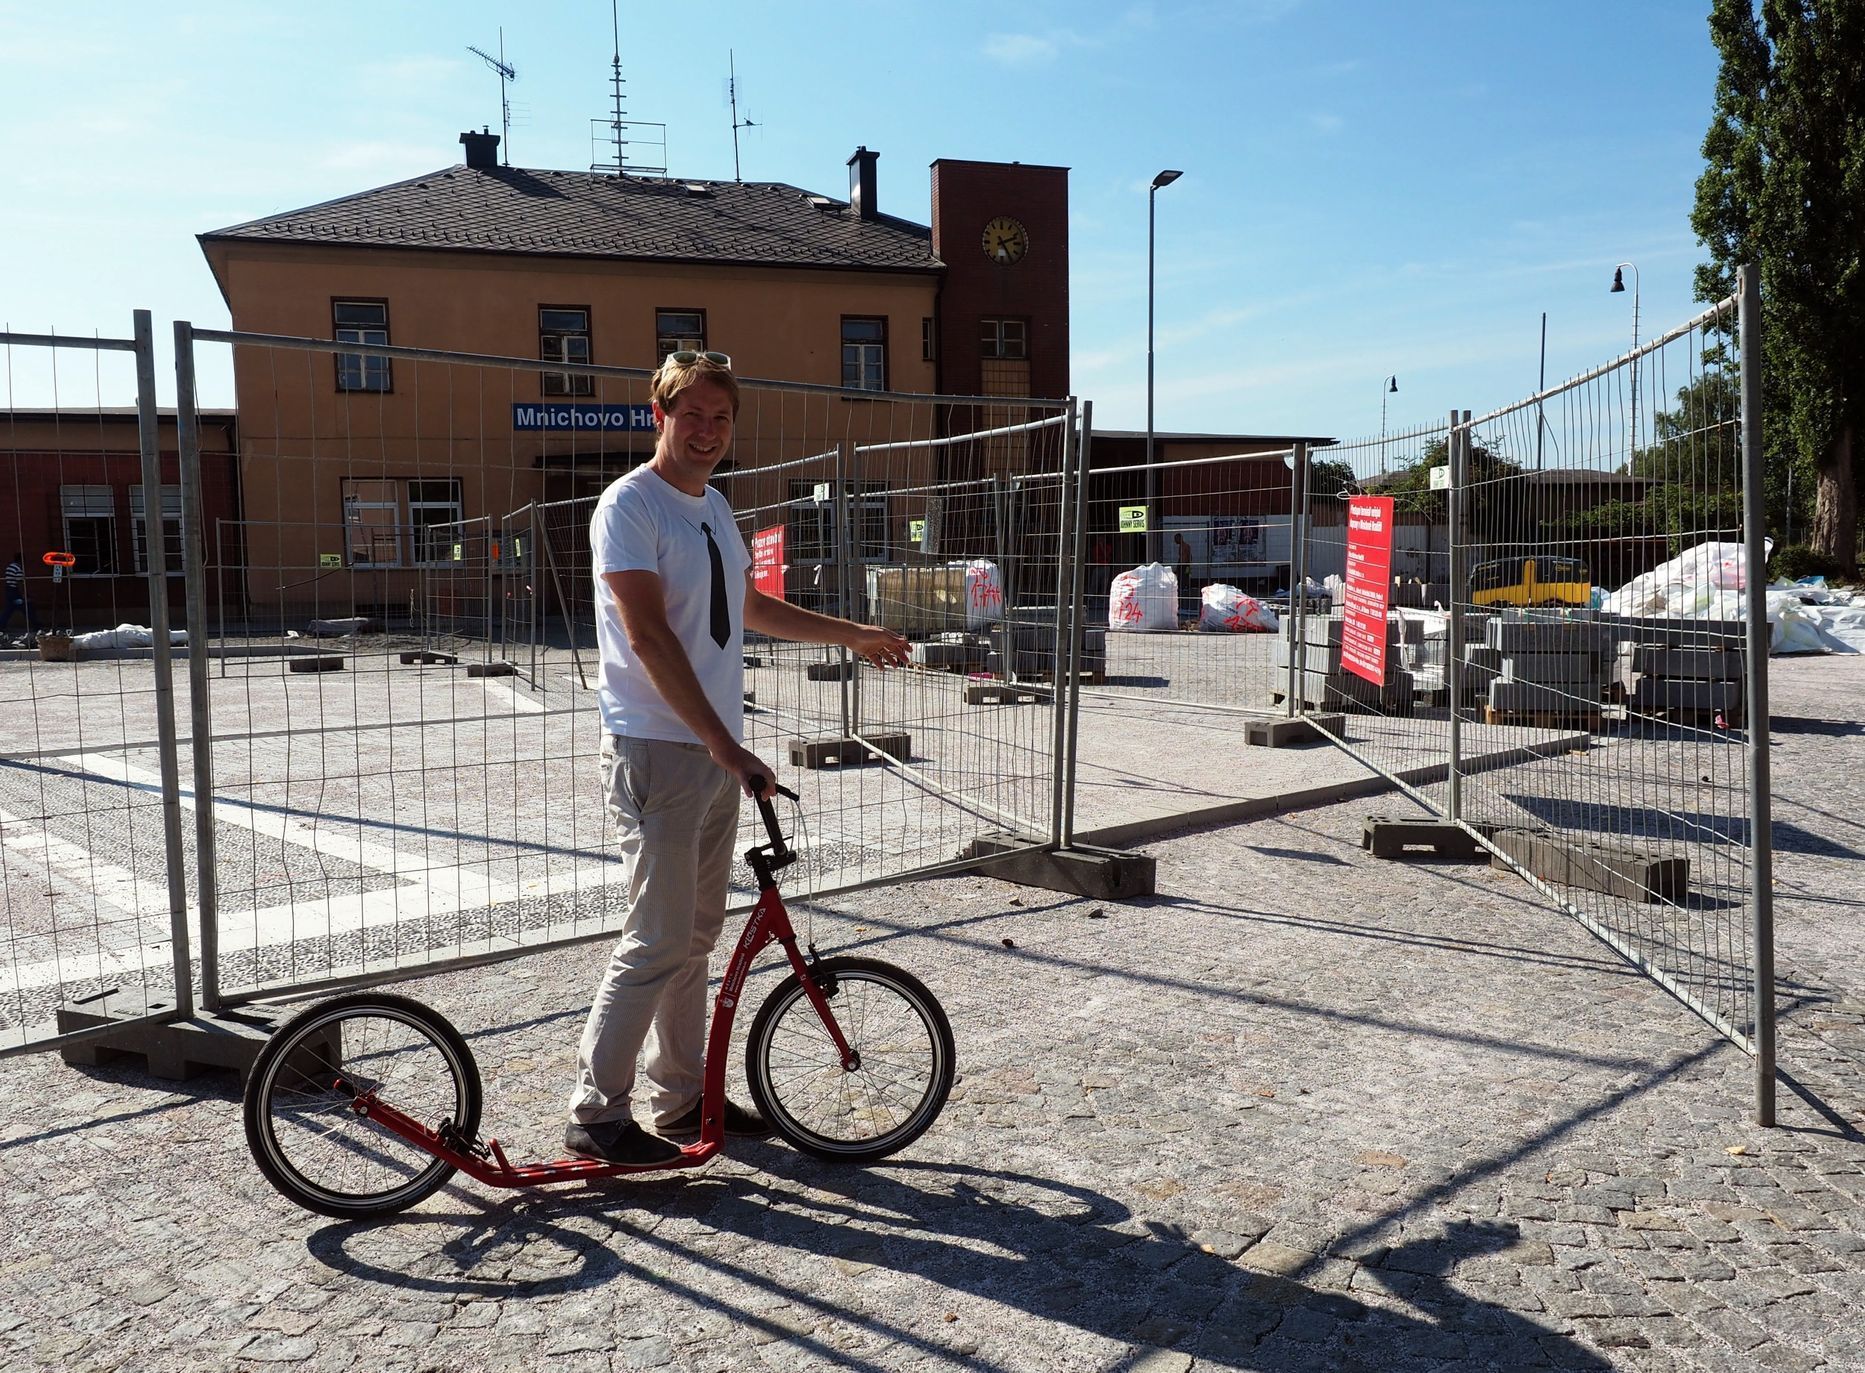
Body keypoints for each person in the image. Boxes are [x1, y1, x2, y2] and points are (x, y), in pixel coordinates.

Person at [567, 351, 910, 1166]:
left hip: (713, 750)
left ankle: (682, 1100)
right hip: (660, 747)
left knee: (693, 938)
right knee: (653, 939)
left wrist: (852, 632)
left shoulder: (715, 507)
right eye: (693, 415)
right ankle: (594, 1112)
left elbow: (749, 606)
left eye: (722, 418)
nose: (708, 432)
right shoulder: (630, 506)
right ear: (661, 414)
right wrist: (725, 743)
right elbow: (647, 634)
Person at [1, 554, 33, 634]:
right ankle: (35, 624)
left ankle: (1, 625)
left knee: (9, 609)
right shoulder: (18, 568)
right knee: (26, 607)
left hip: (9, 590)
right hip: (15, 592)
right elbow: (19, 582)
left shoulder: (9, 567)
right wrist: (24, 593)